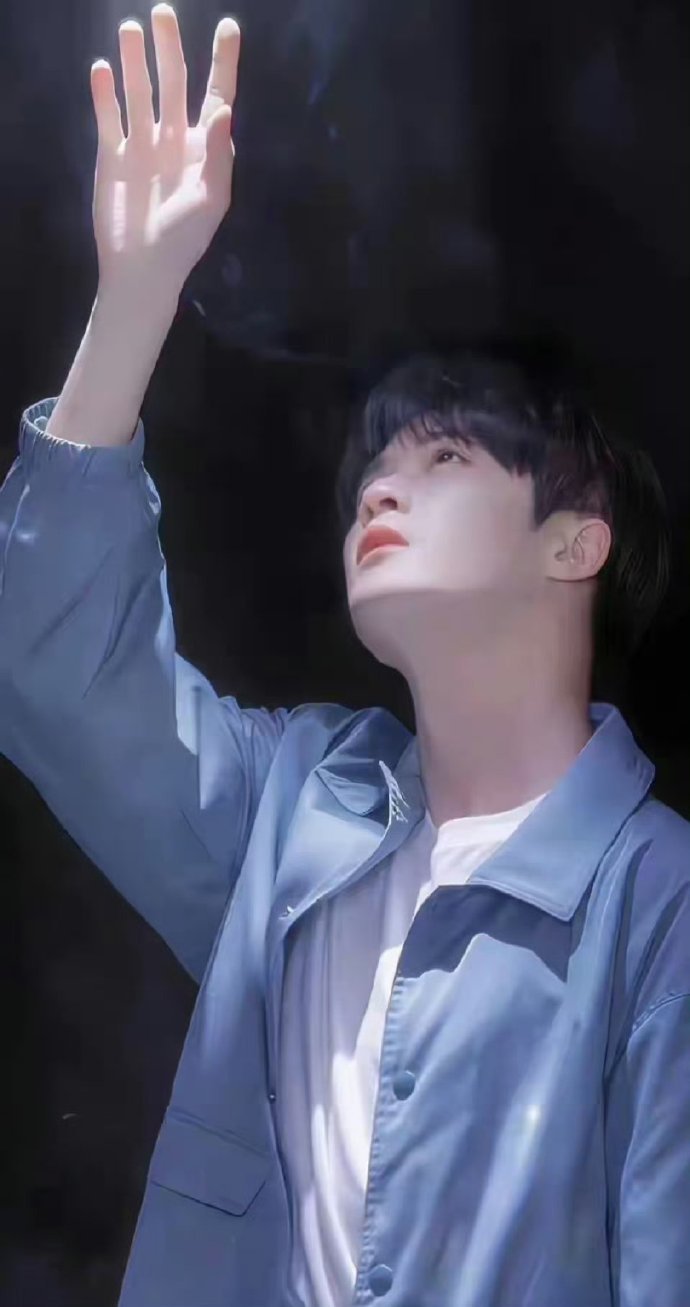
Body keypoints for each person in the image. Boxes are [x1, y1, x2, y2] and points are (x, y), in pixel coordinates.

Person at [1, 6, 688, 1306]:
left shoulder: (658, 906)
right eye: (378, 457)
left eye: (445, 453)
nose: (379, 481)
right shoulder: (289, 812)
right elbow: (55, 669)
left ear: (574, 540)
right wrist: (134, 298)